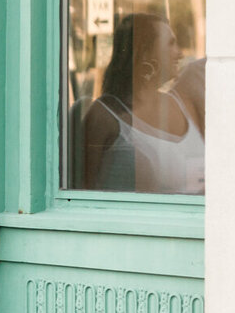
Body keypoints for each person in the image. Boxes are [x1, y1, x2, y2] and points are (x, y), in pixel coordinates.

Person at [78, 12, 204, 194]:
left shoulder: (182, 104)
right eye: (170, 44)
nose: (180, 53)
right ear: (144, 52)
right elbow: (82, 192)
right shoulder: (104, 116)